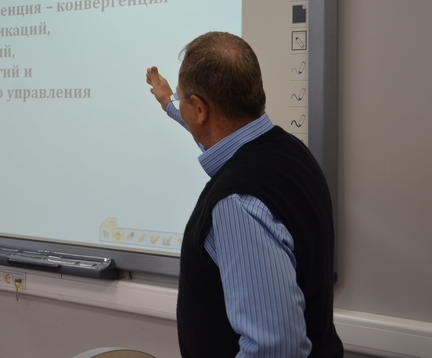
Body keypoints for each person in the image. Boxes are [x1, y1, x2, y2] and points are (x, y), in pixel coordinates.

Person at [145, 31, 343, 358]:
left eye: (183, 100)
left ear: (199, 109)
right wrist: (169, 103)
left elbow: (275, 348)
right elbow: (220, 138)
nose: (182, 105)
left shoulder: (236, 203)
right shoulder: (290, 151)